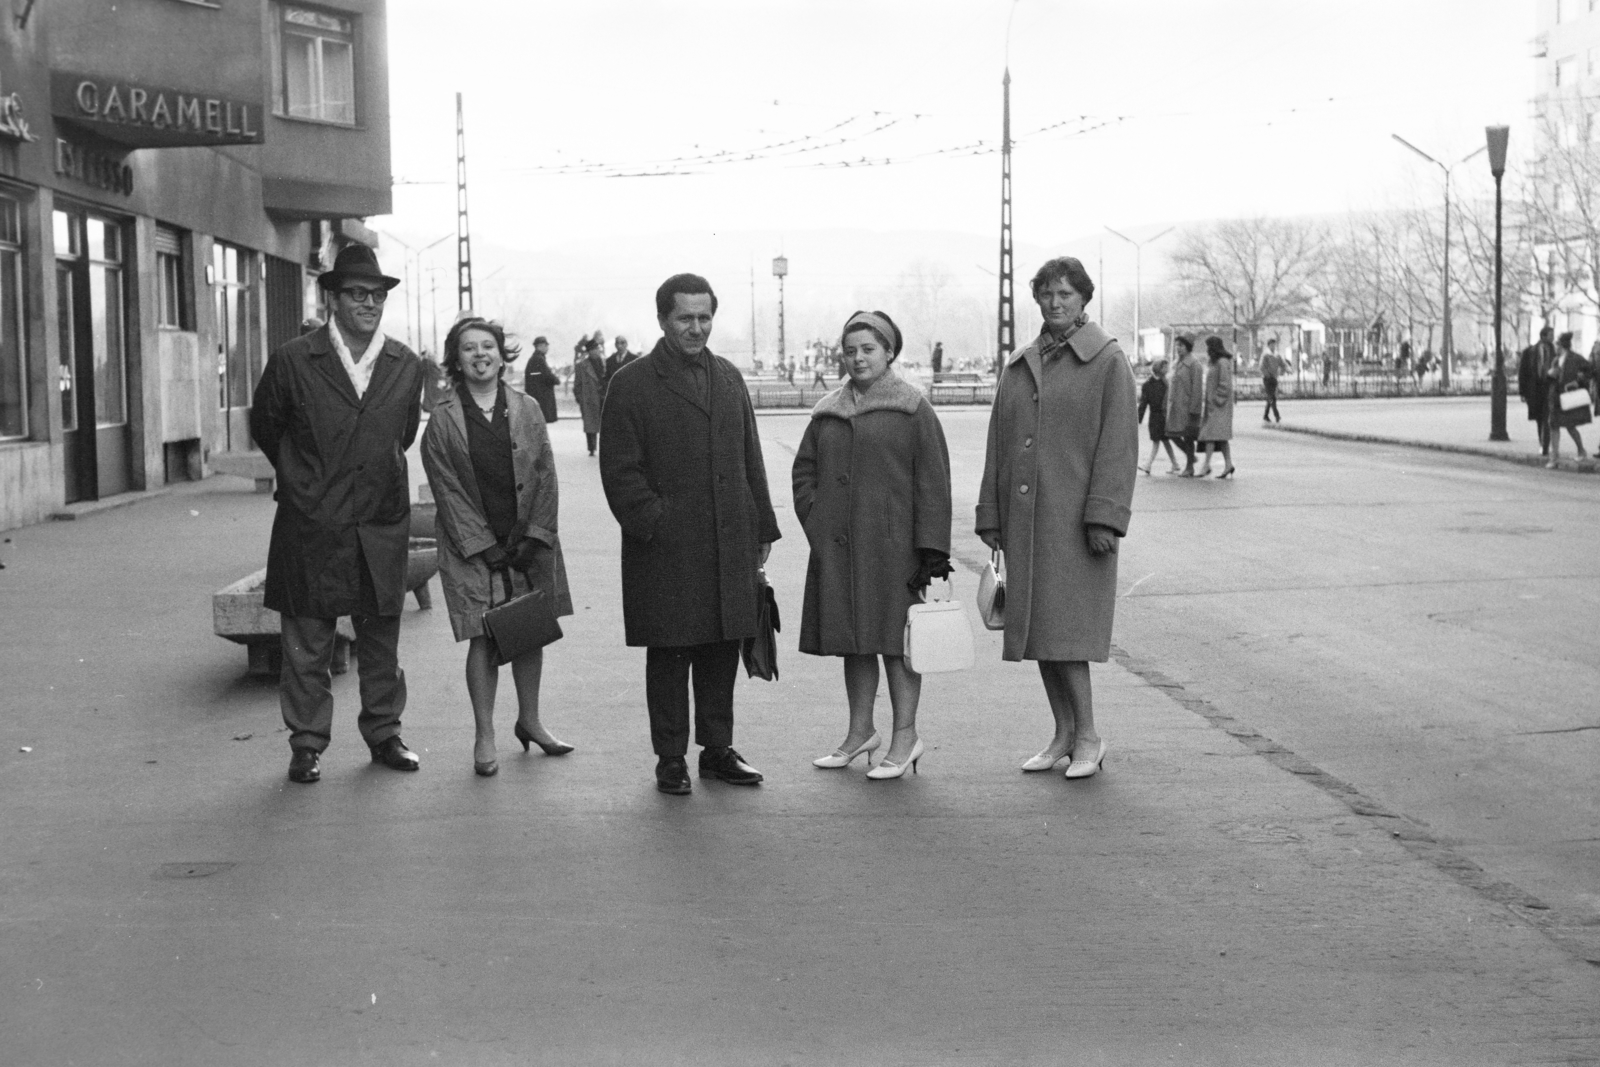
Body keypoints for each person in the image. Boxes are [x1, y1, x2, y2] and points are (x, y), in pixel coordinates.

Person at [249, 244, 428, 784]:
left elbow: (403, 435)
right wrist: (304, 480)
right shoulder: (293, 360)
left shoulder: (405, 364)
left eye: (377, 295)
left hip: (379, 519)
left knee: (381, 637)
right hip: (312, 520)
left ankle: (384, 732)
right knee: (307, 640)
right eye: (357, 294)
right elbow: (267, 425)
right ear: (332, 298)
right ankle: (306, 743)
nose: (369, 303)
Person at [599, 274, 781, 795]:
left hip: (729, 538)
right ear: (661, 319)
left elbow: (751, 457)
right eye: (685, 318)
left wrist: (761, 526)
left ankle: (717, 750)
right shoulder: (631, 384)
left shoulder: (727, 377)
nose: (696, 328)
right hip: (665, 549)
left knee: (722, 644)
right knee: (671, 651)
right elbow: (620, 474)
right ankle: (671, 757)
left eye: (704, 318)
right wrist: (656, 522)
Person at [975, 256, 1137, 779]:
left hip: (1076, 526)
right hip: (1026, 524)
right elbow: (998, 445)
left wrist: (1103, 518)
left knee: (1068, 636)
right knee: (1040, 635)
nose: (1055, 302)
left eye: (1066, 293)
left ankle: (1088, 736)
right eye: (1047, 294)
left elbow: (1119, 445)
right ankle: (1062, 734)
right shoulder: (1021, 363)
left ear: (1084, 298)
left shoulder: (1108, 361)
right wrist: (992, 517)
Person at [794, 311, 952, 780]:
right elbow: (805, 473)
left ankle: (906, 735)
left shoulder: (912, 408)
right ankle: (860, 731)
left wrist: (932, 551)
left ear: (889, 352)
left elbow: (934, 482)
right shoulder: (827, 410)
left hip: (896, 552)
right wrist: (818, 521)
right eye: (850, 349)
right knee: (854, 642)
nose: (858, 358)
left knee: (898, 644)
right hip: (840, 549)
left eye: (868, 349)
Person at [422, 318, 575, 776]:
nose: (480, 354)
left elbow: (546, 474)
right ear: (457, 359)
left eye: (487, 346)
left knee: (528, 631)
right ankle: (484, 733)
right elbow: (446, 489)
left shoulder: (526, 408)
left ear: (500, 353)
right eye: (469, 348)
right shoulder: (443, 420)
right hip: (474, 549)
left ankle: (530, 721)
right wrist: (483, 545)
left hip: (527, 541)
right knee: (483, 637)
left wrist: (535, 536)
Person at [1545, 331, 1592, 468]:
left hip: (1567, 397)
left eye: (1557, 344)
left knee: (1570, 426)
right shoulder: (1556, 360)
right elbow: (1551, 378)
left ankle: (1581, 449)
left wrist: (1578, 381)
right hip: (1555, 397)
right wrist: (1550, 375)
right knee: (1553, 425)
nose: (1555, 347)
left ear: (1562, 346)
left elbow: (1590, 370)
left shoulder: (1575, 358)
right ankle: (1554, 457)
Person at [1196, 335, 1236, 478]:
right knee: (1221, 437)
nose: (1207, 350)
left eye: (1209, 347)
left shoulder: (1222, 362)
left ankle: (1206, 465)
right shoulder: (1216, 362)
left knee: (1210, 436)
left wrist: (1216, 400)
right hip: (1216, 407)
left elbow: (1225, 384)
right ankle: (1228, 464)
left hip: (1219, 407)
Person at [1166, 334, 1204, 476]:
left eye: (1181, 345)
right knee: (1171, 433)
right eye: (1177, 345)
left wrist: (1194, 409)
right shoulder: (1176, 363)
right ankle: (1191, 458)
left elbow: (1197, 389)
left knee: (1188, 437)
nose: (1178, 348)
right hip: (1175, 407)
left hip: (1187, 408)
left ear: (1188, 347)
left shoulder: (1194, 364)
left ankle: (1189, 467)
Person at [1137, 358, 1179, 475]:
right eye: (1164, 366)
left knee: (1158, 441)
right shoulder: (1149, 385)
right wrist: (1138, 418)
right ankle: (1175, 463)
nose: (1167, 369)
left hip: (1162, 416)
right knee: (1164, 441)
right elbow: (1143, 403)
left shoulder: (1165, 384)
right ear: (1159, 369)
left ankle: (1148, 465)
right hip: (1155, 416)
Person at [1519, 327, 1556, 456]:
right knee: (1539, 418)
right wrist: (1522, 392)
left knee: (1547, 418)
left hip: (1549, 388)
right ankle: (1542, 443)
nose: (1553, 337)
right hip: (1535, 389)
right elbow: (1522, 373)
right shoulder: (1529, 352)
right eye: (1551, 335)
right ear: (1543, 336)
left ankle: (1546, 446)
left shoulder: (1555, 351)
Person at [573, 336, 606, 455]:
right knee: (590, 425)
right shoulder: (582, 366)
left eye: (597, 349)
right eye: (594, 349)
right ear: (589, 351)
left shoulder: (603, 363)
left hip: (603, 397)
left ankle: (605, 447)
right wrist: (580, 399)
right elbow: (577, 384)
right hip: (589, 398)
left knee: (605, 424)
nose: (597, 351)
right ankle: (591, 448)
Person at [522, 335, 559, 424]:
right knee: (540, 424)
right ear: (540, 346)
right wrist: (556, 380)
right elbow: (547, 376)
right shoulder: (539, 359)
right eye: (546, 345)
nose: (547, 348)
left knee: (538, 424)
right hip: (542, 399)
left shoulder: (535, 359)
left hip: (536, 398)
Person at [1260, 338, 1285, 423]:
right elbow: (1262, 367)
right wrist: (1267, 375)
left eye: (1274, 344)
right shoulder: (1266, 355)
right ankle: (1277, 415)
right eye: (1272, 345)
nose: (1273, 346)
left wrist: (1286, 370)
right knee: (1272, 397)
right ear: (1269, 345)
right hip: (1267, 379)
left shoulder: (1277, 355)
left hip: (1274, 378)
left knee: (1270, 398)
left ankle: (1266, 415)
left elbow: (1282, 364)